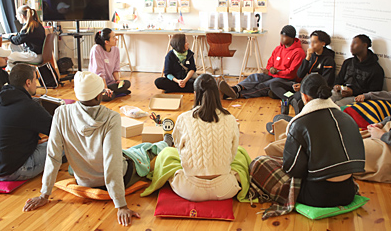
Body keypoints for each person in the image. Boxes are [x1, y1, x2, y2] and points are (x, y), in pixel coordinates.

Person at [23, 71, 171, 226]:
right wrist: (121, 205)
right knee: (141, 151)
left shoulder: (61, 113)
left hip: (84, 181)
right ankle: (165, 143)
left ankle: (161, 144)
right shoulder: (111, 117)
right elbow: (112, 163)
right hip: (119, 178)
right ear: (98, 96)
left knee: (126, 152)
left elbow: (53, 156)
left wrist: (44, 195)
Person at [282, 74, 365, 207]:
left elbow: (291, 169)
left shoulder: (299, 123)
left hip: (317, 196)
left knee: (260, 163)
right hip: (348, 192)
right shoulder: (348, 118)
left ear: (304, 96)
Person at [168, 73, 240, 201]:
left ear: (195, 94)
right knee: (242, 155)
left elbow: (179, 149)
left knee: (166, 155)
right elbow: (233, 153)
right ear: (217, 93)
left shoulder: (183, 118)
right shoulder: (230, 119)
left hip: (189, 190)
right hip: (225, 188)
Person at [0, 64, 52, 181]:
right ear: (28, 82)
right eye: (35, 80)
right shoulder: (29, 106)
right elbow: (57, 130)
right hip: (9, 171)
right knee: (62, 144)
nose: (36, 83)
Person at [219, 25, 305, 99]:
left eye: (284, 36)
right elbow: (270, 62)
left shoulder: (298, 52)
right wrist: (269, 69)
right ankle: (234, 89)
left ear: (292, 38)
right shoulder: (278, 49)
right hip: (273, 75)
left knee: (263, 85)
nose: (281, 38)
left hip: (285, 79)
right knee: (254, 77)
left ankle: (238, 95)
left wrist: (276, 72)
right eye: (281, 35)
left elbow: (291, 73)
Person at [270, 30, 336, 114]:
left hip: (315, 90)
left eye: (314, 42)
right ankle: (290, 99)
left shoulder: (328, 60)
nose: (311, 45)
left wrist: (304, 86)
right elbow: (300, 74)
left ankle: (288, 98)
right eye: (310, 42)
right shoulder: (311, 55)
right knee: (274, 84)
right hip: (302, 85)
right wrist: (307, 58)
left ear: (323, 43)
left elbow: (325, 82)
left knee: (298, 96)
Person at [332, 34, 384, 107]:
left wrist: (353, 92)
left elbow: (374, 93)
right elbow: (339, 79)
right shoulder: (348, 62)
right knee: (327, 100)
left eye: (355, 43)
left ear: (364, 45)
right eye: (351, 43)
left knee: (337, 106)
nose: (351, 46)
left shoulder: (376, 69)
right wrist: (337, 86)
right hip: (342, 92)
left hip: (358, 97)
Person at [89, 28, 131, 101]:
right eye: (114, 37)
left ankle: (112, 93)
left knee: (127, 83)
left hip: (110, 83)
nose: (116, 39)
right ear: (107, 42)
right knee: (107, 97)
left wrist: (117, 80)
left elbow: (116, 68)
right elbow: (100, 73)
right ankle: (113, 93)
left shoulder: (116, 50)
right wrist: (105, 88)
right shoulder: (96, 49)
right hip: (98, 83)